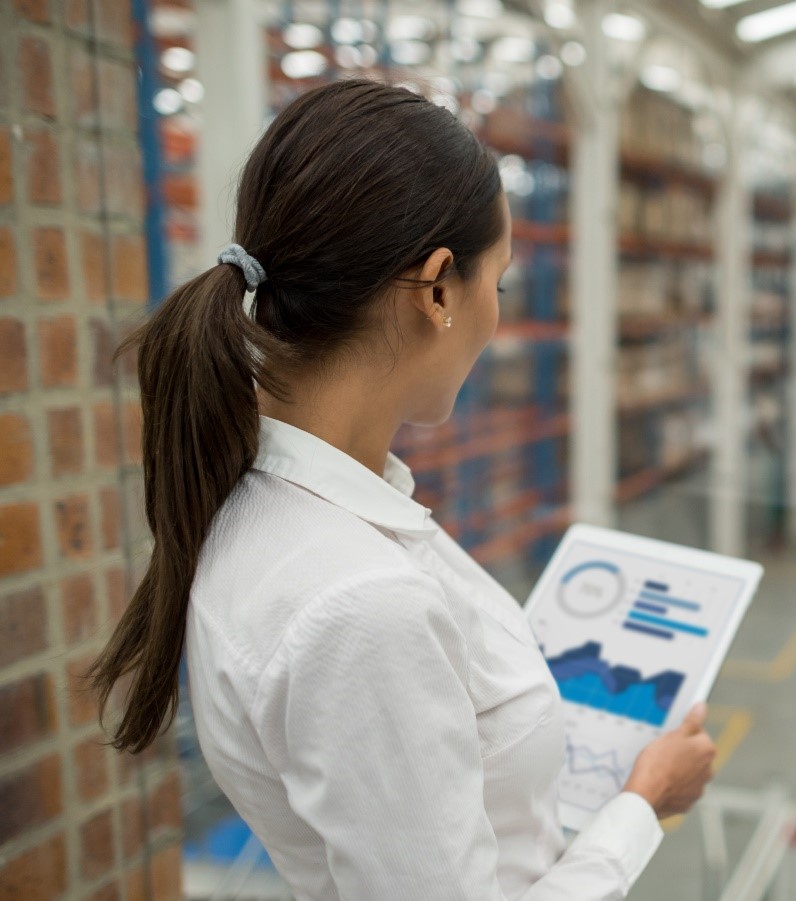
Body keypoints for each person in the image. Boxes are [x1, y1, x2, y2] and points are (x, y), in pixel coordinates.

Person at [84, 79, 716, 900]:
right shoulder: (358, 603)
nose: (497, 311)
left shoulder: (282, 506)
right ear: (441, 287)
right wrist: (641, 805)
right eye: (502, 279)